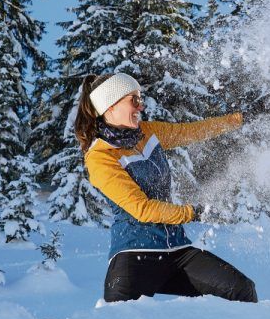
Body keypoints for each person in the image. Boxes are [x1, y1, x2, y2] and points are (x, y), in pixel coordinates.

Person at [74, 72, 257, 303]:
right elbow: (142, 208)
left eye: (141, 99)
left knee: (241, 289)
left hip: (177, 250)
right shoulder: (100, 157)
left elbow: (192, 131)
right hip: (135, 254)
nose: (141, 107)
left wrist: (239, 119)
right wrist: (193, 212)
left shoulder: (148, 133)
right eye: (134, 100)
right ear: (109, 107)